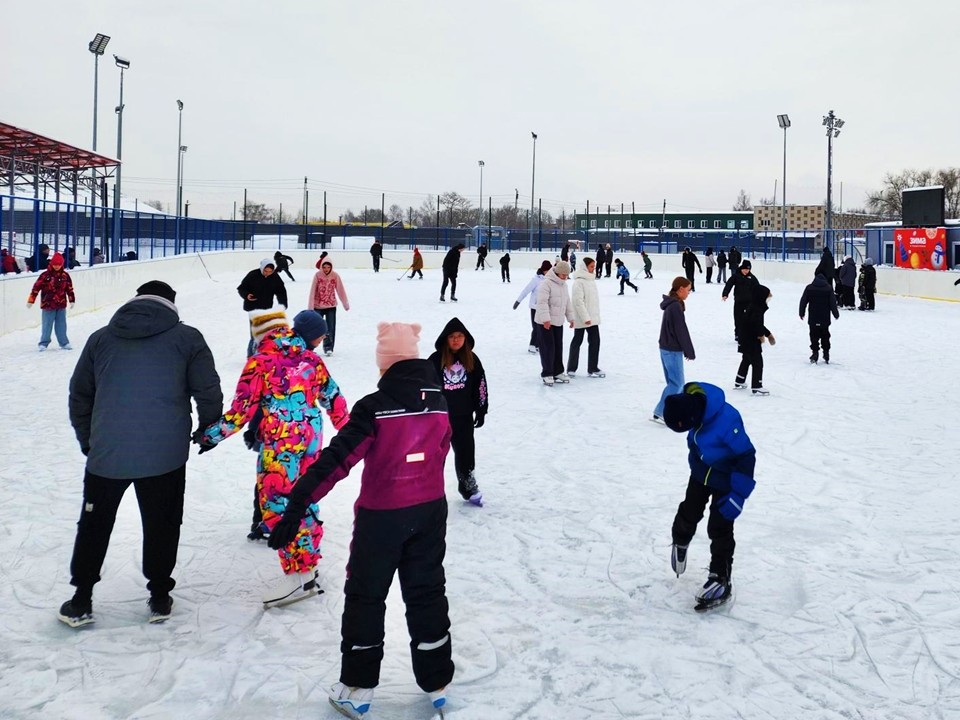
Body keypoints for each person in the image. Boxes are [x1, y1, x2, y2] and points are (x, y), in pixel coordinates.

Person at [267, 322, 454, 718]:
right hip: (429, 511)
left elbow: (337, 460)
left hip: (381, 517)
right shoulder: (439, 401)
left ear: (385, 363)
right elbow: (442, 448)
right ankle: (437, 681)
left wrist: (298, 504)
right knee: (427, 592)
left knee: (366, 597)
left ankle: (357, 688)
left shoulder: (374, 407)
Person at [58, 280, 223, 627]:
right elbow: (207, 390)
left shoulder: (101, 339)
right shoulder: (187, 338)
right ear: (171, 304)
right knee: (163, 523)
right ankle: (160, 596)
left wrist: (89, 440)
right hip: (166, 456)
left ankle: (81, 599)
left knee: (94, 524)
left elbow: (80, 394)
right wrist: (209, 432)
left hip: (107, 453)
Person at [197, 309, 349, 607]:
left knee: (278, 503)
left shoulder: (261, 361)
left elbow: (241, 411)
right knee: (306, 497)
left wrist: (210, 436)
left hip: (282, 444)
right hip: (310, 440)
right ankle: (307, 564)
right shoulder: (311, 360)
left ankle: (299, 576)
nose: (321, 341)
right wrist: (353, 434)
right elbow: (334, 398)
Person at [662, 381, 756, 611]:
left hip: (726, 479)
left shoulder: (727, 421)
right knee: (689, 511)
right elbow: (693, 443)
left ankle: (720, 578)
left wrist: (738, 494)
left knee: (719, 527)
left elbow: (747, 456)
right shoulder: (692, 407)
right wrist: (696, 465)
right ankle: (680, 540)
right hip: (701, 473)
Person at [429, 317, 487, 506]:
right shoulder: (435, 360)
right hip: (440, 418)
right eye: (452, 336)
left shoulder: (472, 359)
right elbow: (426, 386)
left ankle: (468, 485)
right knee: (436, 454)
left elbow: (480, 385)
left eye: (460, 336)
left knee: (466, 452)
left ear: (465, 338)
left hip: (463, 417)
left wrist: (481, 409)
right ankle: (431, 488)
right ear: (445, 338)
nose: (456, 340)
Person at [652, 277, 695, 423]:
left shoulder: (672, 304)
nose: (689, 293)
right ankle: (661, 411)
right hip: (672, 350)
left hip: (666, 348)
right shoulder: (675, 306)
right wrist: (689, 350)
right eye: (688, 290)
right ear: (681, 289)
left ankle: (673, 411)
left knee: (674, 383)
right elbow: (680, 330)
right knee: (677, 383)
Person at [535, 260, 574, 386]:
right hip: (544, 322)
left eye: (567, 275)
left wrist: (571, 318)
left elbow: (567, 302)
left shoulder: (564, 285)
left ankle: (557, 372)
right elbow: (542, 303)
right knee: (548, 348)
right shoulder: (546, 283)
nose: (565, 277)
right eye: (563, 275)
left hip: (558, 321)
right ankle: (547, 373)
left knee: (558, 347)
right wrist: (546, 319)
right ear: (557, 273)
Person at [238, 258, 288, 355]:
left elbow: (281, 291)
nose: (267, 273)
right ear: (262, 268)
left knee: (265, 333)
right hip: (253, 309)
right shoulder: (253, 275)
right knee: (255, 334)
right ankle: (251, 355)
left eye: (270, 271)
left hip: (266, 308)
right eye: (265, 271)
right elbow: (242, 288)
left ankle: (263, 354)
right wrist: (247, 295)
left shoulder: (275, 277)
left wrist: (283, 304)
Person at [27, 251, 75, 351]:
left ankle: (64, 342)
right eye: (55, 264)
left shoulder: (65, 276)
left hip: (61, 304)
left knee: (61, 325)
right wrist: (31, 300)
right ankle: (44, 343)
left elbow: (69, 289)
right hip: (48, 304)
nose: (57, 266)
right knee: (47, 325)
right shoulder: (45, 275)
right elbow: (36, 288)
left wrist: (72, 300)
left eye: (59, 264)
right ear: (51, 264)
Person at [567, 257, 604, 378]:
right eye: (591, 266)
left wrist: (592, 317)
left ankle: (593, 368)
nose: (594, 269)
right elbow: (578, 302)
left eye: (594, 266)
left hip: (592, 318)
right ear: (585, 267)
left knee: (595, 342)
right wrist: (585, 318)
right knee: (577, 341)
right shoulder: (579, 282)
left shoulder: (591, 280)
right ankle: (571, 368)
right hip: (582, 317)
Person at [734, 284, 774, 395]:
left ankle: (739, 380)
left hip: (745, 338)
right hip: (750, 340)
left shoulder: (753, 306)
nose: (769, 299)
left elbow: (757, 324)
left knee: (746, 359)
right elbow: (756, 324)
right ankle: (757, 385)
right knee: (757, 362)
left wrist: (768, 334)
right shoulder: (757, 309)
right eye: (767, 296)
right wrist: (761, 335)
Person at [309, 258, 350, 356]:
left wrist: (345, 303)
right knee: (315, 327)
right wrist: (310, 308)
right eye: (324, 267)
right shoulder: (317, 275)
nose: (326, 269)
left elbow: (340, 290)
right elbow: (312, 291)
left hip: (331, 306)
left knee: (330, 327)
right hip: (318, 306)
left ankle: (328, 347)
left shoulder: (335, 276)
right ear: (321, 267)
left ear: (331, 267)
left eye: (328, 267)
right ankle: (310, 347)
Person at [799, 273, 839, 364]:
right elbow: (833, 303)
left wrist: (801, 313)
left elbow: (803, 301)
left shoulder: (809, 288)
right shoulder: (828, 288)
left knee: (813, 335)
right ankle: (826, 353)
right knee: (825, 335)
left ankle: (815, 353)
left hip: (813, 317)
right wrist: (836, 314)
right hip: (825, 317)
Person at [513, 260, 552, 353]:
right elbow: (526, 290)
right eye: (548, 270)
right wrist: (518, 301)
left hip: (544, 307)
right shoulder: (536, 279)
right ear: (544, 270)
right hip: (535, 307)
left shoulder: (549, 280)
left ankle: (538, 345)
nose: (549, 272)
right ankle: (532, 345)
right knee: (536, 327)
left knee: (542, 327)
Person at [721, 260, 759, 342]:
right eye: (745, 269)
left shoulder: (752, 277)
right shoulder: (736, 276)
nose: (746, 271)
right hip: (739, 301)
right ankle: (738, 334)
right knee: (738, 318)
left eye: (748, 270)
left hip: (749, 302)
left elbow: (758, 288)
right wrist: (725, 294)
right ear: (742, 268)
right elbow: (729, 284)